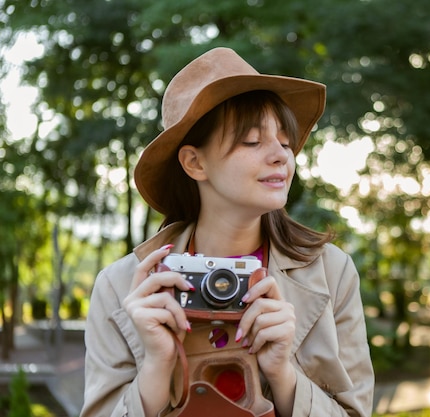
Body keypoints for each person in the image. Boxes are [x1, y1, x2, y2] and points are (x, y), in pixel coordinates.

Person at [80, 47, 374, 417]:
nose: (281, 155)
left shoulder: (332, 273)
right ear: (194, 162)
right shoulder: (121, 287)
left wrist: (284, 375)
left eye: (285, 141)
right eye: (252, 141)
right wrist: (156, 367)